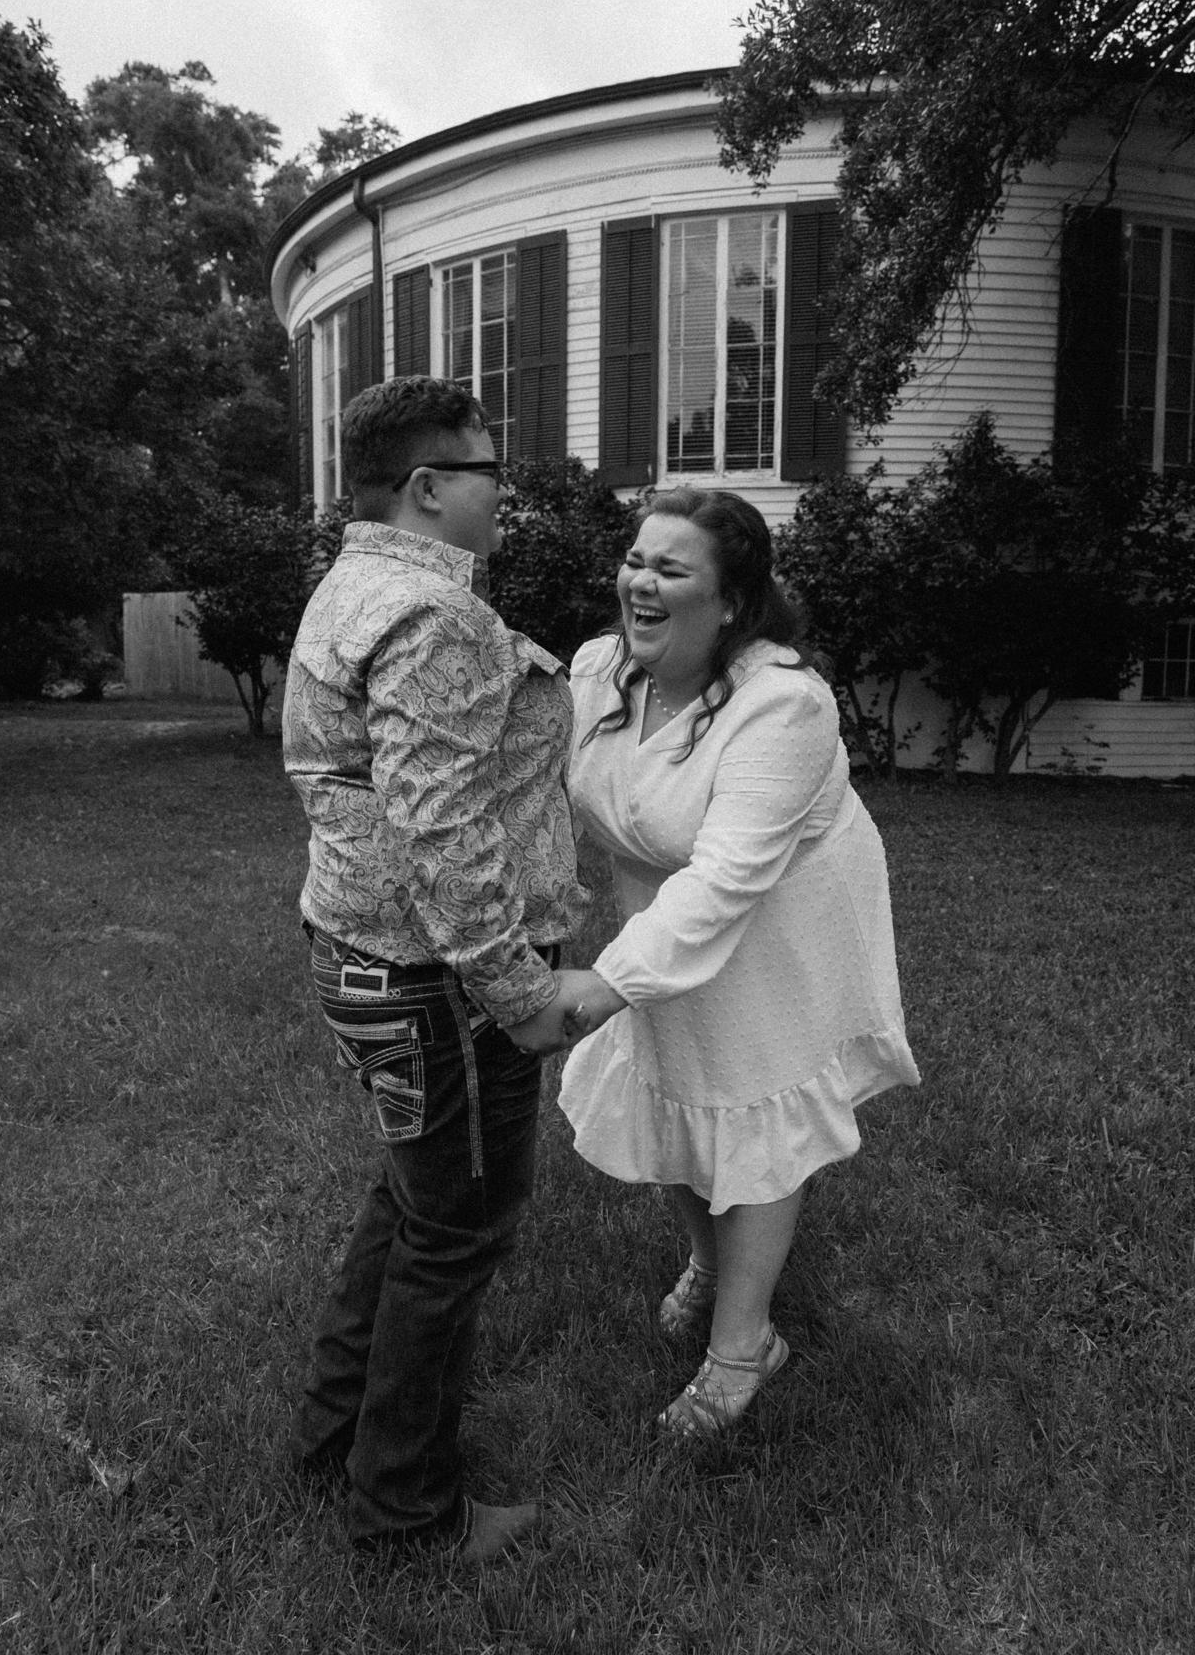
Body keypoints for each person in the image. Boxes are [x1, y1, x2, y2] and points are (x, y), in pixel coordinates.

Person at [282, 375, 587, 1562]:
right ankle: (405, 1512)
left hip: (365, 955)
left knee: (413, 1205)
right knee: (456, 1229)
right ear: (426, 487)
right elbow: (440, 827)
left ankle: (333, 1447)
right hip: (438, 982)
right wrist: (519, 991)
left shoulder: (351, 584)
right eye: (490, 471)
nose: (504, 492)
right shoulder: (433, 614)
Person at [551, 489, 920, 1438]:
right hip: (657, 908)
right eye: (636, 560)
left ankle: (741, 1348)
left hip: (773, 917)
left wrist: (607, 981)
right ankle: (712, 1265)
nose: (640, 582)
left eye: (671, 570)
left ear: (731, 605)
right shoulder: (597, 673)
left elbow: (725, 878)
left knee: (754, 1111)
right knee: (671, 1084)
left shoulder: (784, 706)